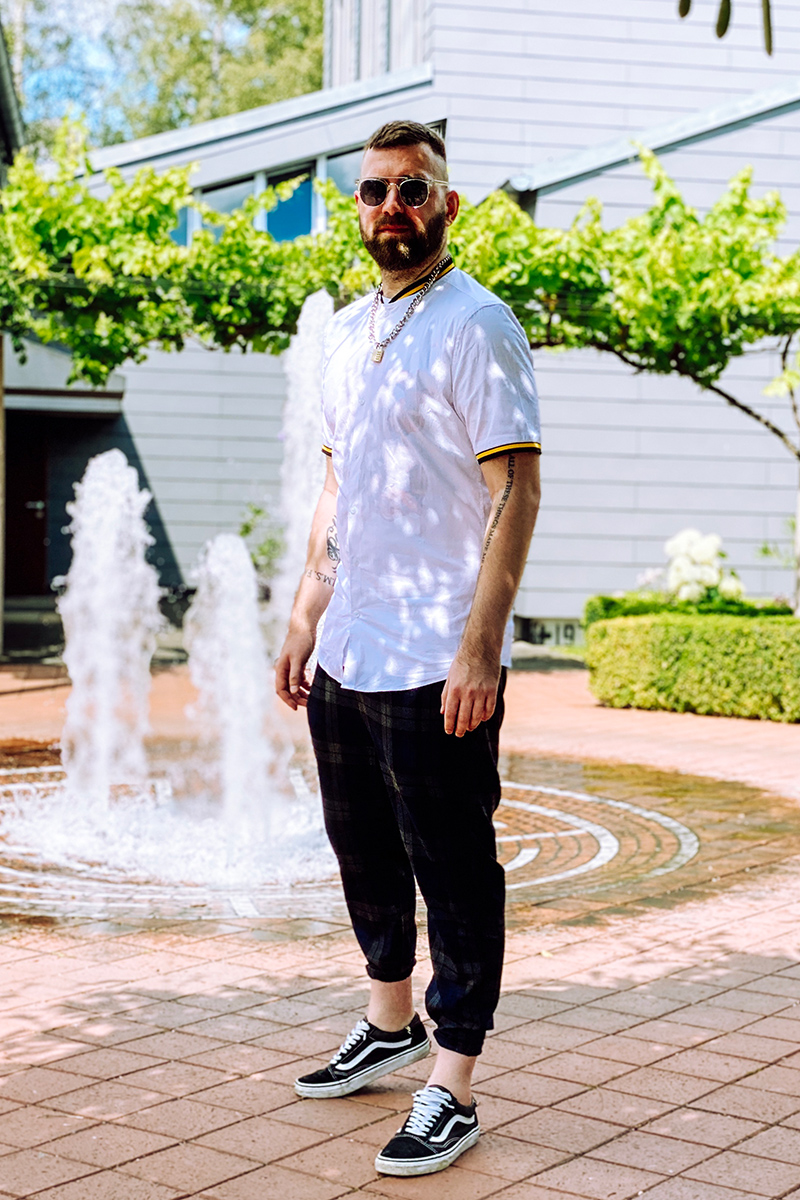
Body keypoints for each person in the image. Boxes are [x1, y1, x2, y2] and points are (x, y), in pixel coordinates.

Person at [275, 119, 541, 1177]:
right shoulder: (347, 331)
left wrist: (481, 646)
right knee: (363, 849)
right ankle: (389, 1021)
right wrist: (305, 613)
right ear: (357, 206)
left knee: (454, 866)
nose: (393, 206)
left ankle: (453, 1080)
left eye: (412, 190)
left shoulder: (478, 325)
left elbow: (514, 490)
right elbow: (337, 487)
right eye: (376, 190)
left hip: (437, 651)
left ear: (446, 205)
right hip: (351, 642)